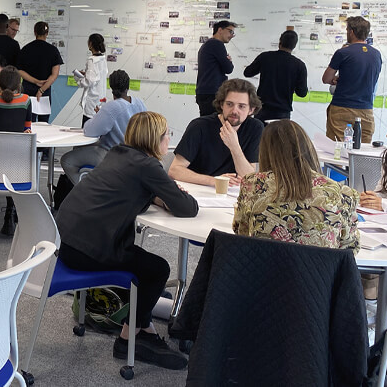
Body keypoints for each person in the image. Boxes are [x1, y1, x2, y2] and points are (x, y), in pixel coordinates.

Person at [56, 111, 197, 370]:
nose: (169, 139)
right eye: (166, 134)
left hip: (67, 241)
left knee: (147, 268)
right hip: (88, 250)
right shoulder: (148, 166)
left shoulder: (118, 154)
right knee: (158, 270)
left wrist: (157, 196)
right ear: (155, 139)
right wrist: (168, 196)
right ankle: (128, 338)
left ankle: (145, 331)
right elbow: (188, 208)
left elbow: (131, 188)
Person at [233, 119, 359, 250]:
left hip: (264, 262)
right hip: (320, 263)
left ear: (265, 152)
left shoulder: (253, 184)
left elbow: (241, 232)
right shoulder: (344, 193)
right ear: (308, 149)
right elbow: (349, 248)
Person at [169, 79, 264, 187]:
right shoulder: (199, 126)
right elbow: (174, 170)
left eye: (241, 106)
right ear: (222, 104)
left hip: (231, 192)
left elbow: (249, 178)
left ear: (251, 110)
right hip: (198, 188)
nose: (234, 111)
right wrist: (214, 181)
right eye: (229, 104)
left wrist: (234, 146)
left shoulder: (255, 127)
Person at [60, 70, 146, 184]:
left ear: (111, 87)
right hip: (136, 156)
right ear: (128, 86)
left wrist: (99, 116)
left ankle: (84, 191)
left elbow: (90, 130)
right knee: (78, 148)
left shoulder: (111, 107)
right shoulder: (140, 103)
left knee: (66, 160)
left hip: (114, 155)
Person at [0, 66, 33, 236]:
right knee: (15, 164)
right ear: (18, 84)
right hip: (17, 166)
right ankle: (10, 216)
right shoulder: (26, 101)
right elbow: (27, 130)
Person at [322, 16, 382, 143]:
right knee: (362, 150)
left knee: (336, 149)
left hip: (341, 108)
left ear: (351, 32)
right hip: (366, 110)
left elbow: (326, 78)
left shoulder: (343, 52)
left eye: (347, 30)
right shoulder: (376, 55)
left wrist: (335, 80)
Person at [243, 29, 308, 122]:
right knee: (280, 132)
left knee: (260, 131)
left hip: (262, 108)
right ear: (294, 46)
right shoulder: (299, 65)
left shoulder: (265, 57)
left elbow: (247, 73)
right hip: (283, 111)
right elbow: (302, 93)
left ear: (280, 42)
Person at [16, 21, 63, 123]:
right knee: (44, 123)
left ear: (35, 32)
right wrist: (41, 90)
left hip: (28, 89)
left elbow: (19, 70)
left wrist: (35, 81)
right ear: (47, 33)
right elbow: (54, 74)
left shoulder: (26, 49)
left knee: (28, 121)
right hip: (45, 91)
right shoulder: (53, 50)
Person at [195, 20, 236, 116]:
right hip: (212, 93)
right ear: (220, 30)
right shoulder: (217, 44)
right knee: (214, 123)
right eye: (230, 31)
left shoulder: (208, 44)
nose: (232, 35)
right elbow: (228, 69)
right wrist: (229, 61)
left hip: (205, 91)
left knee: (207, 121)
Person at [76, 33, 108, 125]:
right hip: (101, 98)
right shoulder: (102, 59)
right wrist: (86, 73)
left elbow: (89, 81)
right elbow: (97, 76)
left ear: (90, 44)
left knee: (87, 127)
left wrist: (78, 79)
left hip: (92, 100)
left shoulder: (92, 60)